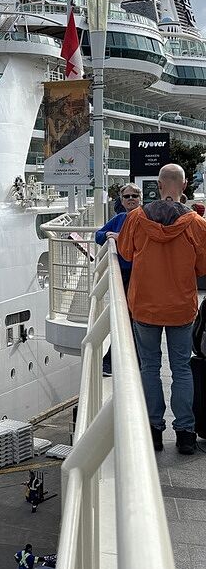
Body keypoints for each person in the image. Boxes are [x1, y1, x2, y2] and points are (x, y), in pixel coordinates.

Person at [118, 164, 206, 455]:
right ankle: (185, 434)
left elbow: (126, 253)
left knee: (149, 367)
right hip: (180, 307)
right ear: (183, 186)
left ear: (158, 184)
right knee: (181, 369)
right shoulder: (195, 223)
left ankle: (153, 430)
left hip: (145, 306)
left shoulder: (137, 217)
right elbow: (202, 267)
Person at [95, 183, 142, 375]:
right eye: (127, 196)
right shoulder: (120, 218)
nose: (130, 199)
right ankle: (121, 361)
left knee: (132, 318)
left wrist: (119, 237)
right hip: (123, 274)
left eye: (134, 196)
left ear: (140, 198)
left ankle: (115, 361)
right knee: (126, 317)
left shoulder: (145, 218)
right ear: (121, 201)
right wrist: (108, 234)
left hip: (141, 274)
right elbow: (98, 235)